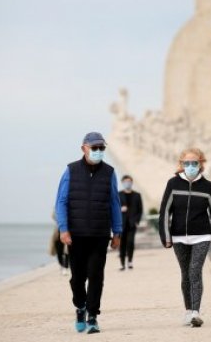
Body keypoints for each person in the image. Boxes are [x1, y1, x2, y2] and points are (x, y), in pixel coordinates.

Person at [55, 132, 123, 334]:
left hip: (100, 234)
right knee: (77, 279)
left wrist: (117, 232)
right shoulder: (71, 170)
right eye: (95, 148)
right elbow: (61, 201)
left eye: (102, 148)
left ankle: (92, 315)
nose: (98, 151)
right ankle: (80, 307)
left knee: (96, 276)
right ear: (84, 148)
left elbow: (114, 203)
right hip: (76, 235)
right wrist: (63, 229)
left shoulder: (109, 172)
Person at [158, 147, 211, 328]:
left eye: (194, 163)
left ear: (201, 164)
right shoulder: (173, 184)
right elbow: (165, 211)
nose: (190, 166)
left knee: (195, 271)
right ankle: (188, 311)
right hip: (178, 237)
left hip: (201, 236)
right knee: (185, 274)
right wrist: (166, 236)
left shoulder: (207, 186)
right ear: (181, 164)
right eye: (187, 163)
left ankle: (196, 313)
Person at [118, 175, 143, 271]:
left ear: (132, 182)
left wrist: (137, 221)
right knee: (122, 244)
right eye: (125, 182)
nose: (127, 183)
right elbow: (114, 208)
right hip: (121, 224)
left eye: (129, 181)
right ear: (122, 183)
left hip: (132, 224)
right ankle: (122, 263)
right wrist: (120, 209)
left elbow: (140, 209)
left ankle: (130, 261)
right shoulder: (118, 194)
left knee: (130, 242)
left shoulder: (137, 195)